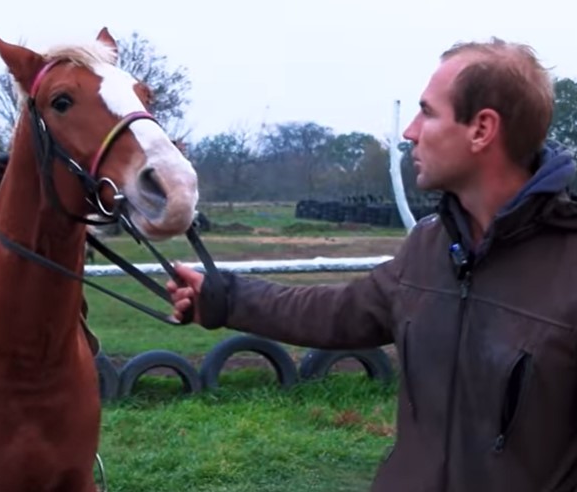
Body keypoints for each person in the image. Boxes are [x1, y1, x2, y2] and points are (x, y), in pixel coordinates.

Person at [167, 38, 577, 492]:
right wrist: (224, 298)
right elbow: (336, 312)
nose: (410, 132)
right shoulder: (429, 245)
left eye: (429, 112)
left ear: (481, 129)